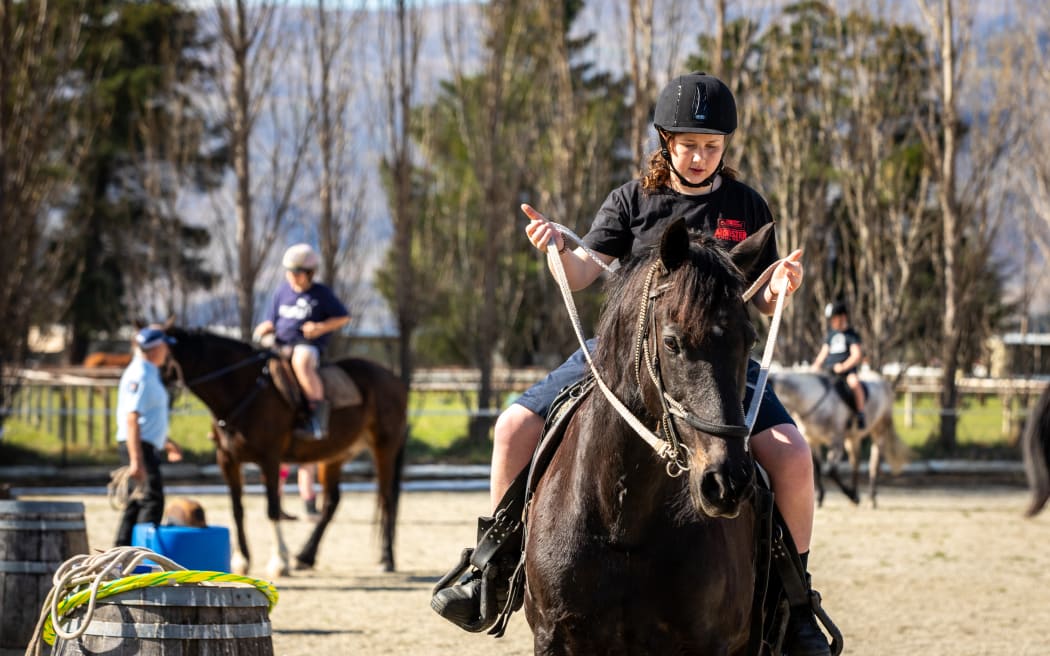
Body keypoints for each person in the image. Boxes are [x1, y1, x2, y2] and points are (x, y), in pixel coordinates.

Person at [432, 72, 831, 655]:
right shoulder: (630, 201)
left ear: (726, 147)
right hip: (620, 354)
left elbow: (762, 298)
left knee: (794, 458)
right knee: (513, 426)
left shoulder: (746, 207)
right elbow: (582, 273)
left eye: (712, 146)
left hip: (717, 360)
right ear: (665, 141)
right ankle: (492, 567)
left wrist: (783, 284)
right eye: (688, 145)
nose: (699, 157)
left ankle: (796, 605)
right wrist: (556, 250)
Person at [253, 243, 350, 440]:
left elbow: (343, 317)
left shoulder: (321, 293)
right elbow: (272, 319)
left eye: (297, 273)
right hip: (280, 343)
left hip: (307, 345)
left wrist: (320, 328)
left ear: (310, 273)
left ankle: (316, 418)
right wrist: (265, 327)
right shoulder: (282, 292)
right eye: (289, 272)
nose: (292, 277)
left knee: (301, 363)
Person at [114, 326, 183, 547]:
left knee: (137, 502)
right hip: (138, 447)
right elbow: (132, 419)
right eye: (164, 347)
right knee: (152, 501)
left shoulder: (148, 373)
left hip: (144, 445)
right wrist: (136, 460)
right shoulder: (141, 375)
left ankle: (120, 553)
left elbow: (148, 419)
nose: (167, 352)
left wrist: (167, 442)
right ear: (155, 349)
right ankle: (140, 555)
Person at [812, 301, 866, 429]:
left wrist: (843, 367)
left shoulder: (851, 334)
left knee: (854, 384)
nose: (832, 322)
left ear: (843, 317)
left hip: (847, 371)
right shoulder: (831, 335)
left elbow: (856, 355)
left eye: (834, 319)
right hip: (830, 370)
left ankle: (860, 413)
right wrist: (815, 366)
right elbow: (823, 353)